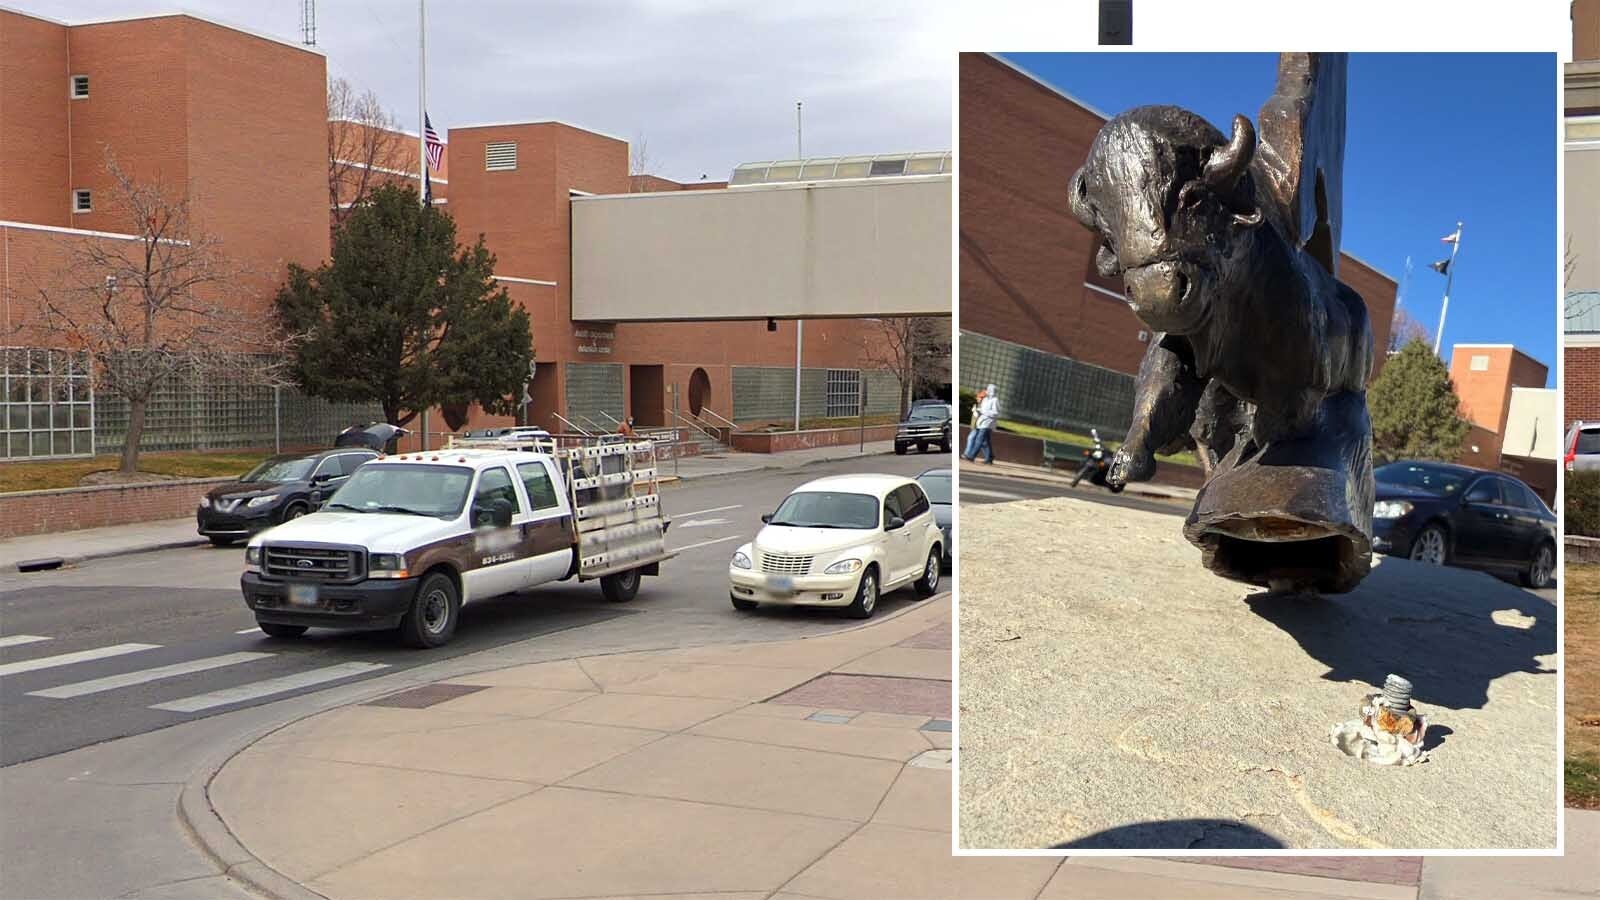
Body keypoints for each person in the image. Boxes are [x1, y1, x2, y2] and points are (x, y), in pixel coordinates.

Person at [964, 385, 999, 463]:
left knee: (979, 439)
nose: (987, 391)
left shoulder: (995, 400)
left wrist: (984, 412)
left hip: (988, 423)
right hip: (982, 422)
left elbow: (995, 413)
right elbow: (982, 409)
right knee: (985, 441)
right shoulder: (985, 399)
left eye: (988, 389)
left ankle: (971, 456)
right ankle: (989, 457)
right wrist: (977, 410)